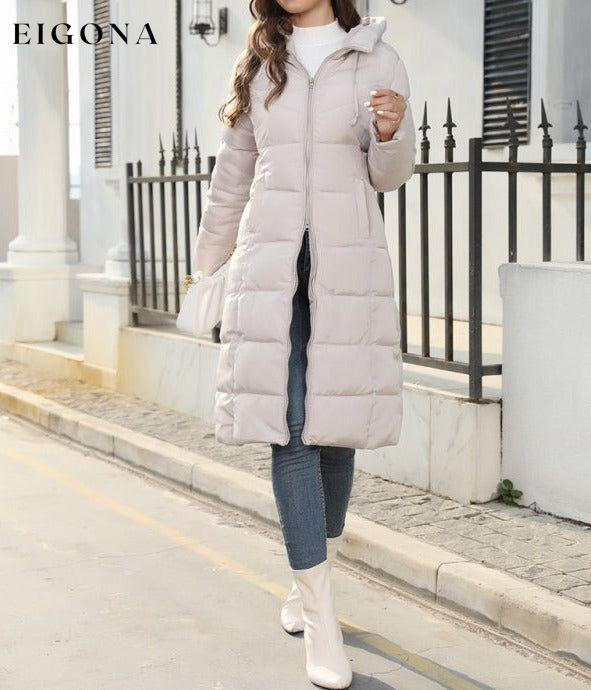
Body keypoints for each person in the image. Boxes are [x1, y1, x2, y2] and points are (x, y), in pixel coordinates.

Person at [193, 1, 416, 687]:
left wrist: (390, 132)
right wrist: (206, 271)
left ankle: (309, 579)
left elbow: (390, 174)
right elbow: (232, 178)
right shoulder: (261, 62)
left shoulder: (377, 58)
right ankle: (321, 617)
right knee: (289, 430)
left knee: (335, 435)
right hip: (271, 270)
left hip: (345, 270)